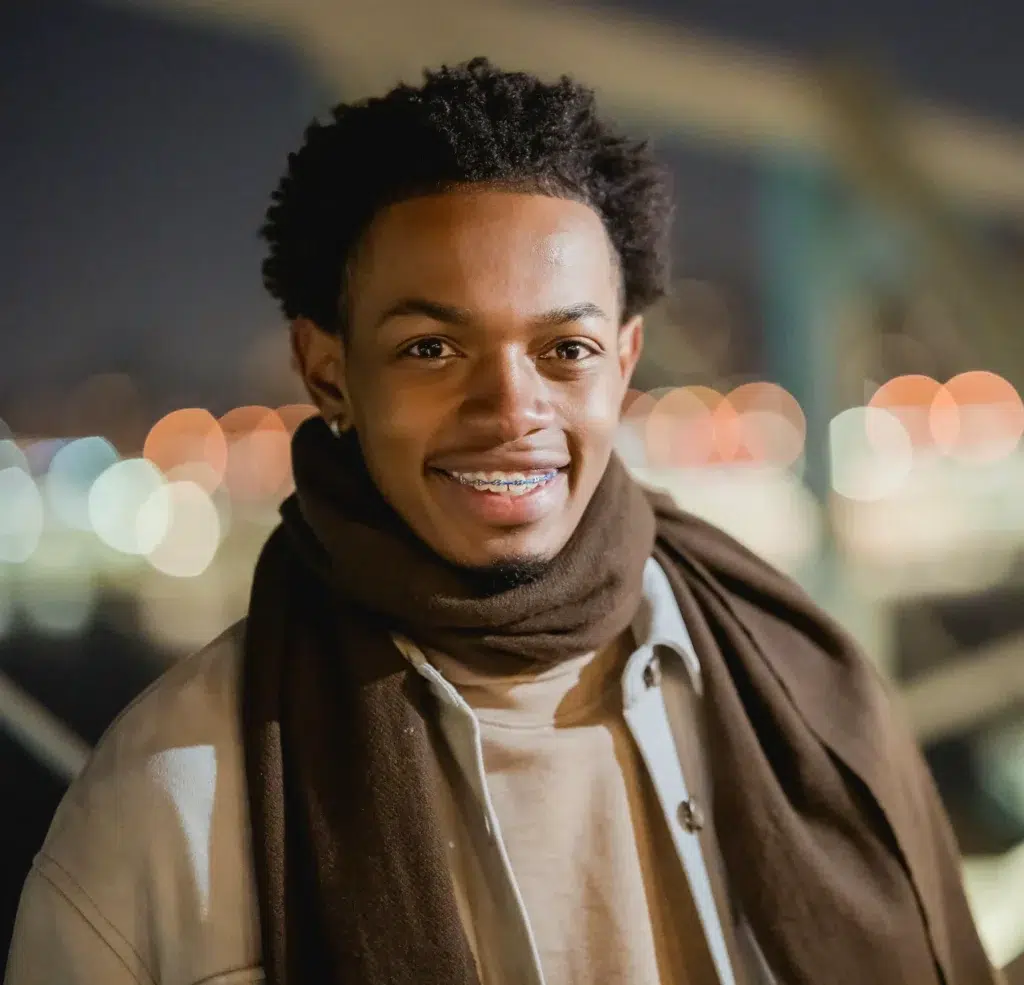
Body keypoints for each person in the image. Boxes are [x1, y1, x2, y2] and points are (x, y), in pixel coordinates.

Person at [5, 58, 1001, 985]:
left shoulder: (805, 682)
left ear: (623, 362)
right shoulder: (167, 798)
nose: (510, 409)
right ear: (327, 371)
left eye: (564, 348)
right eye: (433, 347)